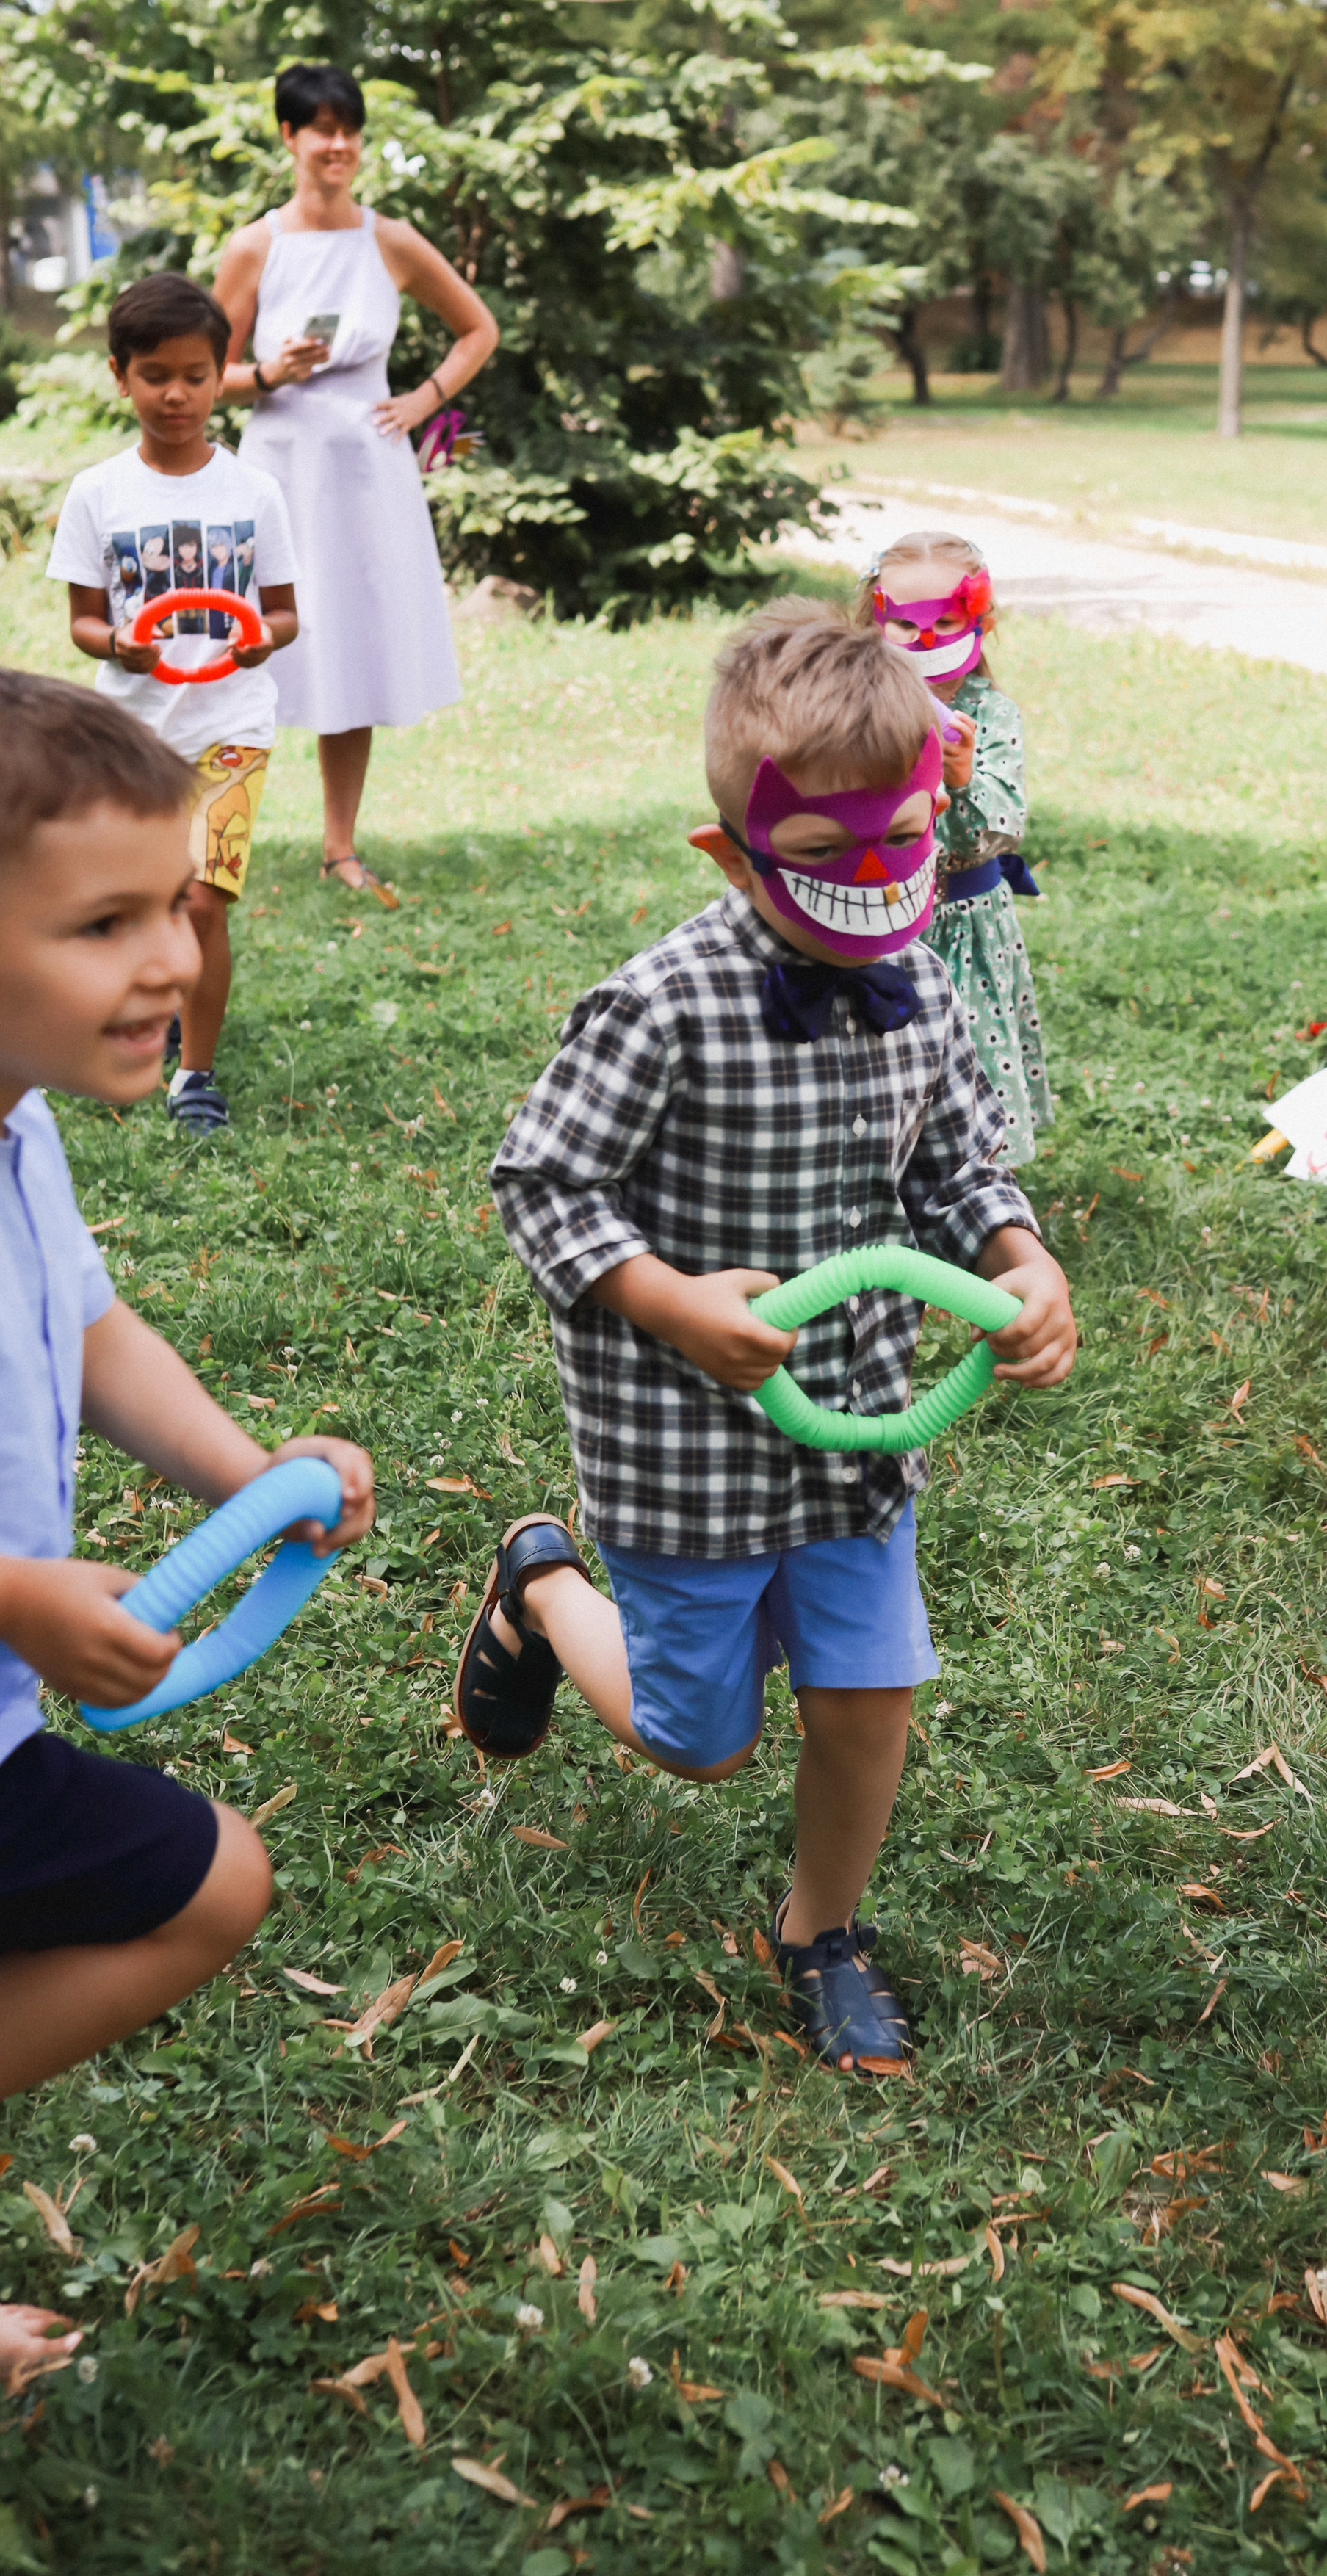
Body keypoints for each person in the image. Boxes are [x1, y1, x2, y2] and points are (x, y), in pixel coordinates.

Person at [467, 604, 1077, 2076]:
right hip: (683, 1440)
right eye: (827, 857)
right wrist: (668, 1299)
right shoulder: (659, 1005)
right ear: (729, 854)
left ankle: (819, 1929)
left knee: (868, 1705)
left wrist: (1013, 1250)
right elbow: (539, 1182)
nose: (876, 882)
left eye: (904, 844)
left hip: (856, 1422)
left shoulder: (917, 977)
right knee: (700, 1741)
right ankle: (543, 1585)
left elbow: (956, 1161)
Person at [0, 670, 375, 2391]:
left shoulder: (23, 1133)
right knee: (206, 1874)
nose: (172, 957)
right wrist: (12, 1594)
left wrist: (243, 1470)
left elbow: (89, 1330)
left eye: (175, 904)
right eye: (104, 920)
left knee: (209, 1875)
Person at [214, 61, 499, 910]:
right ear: (288, 137)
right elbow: (202, 370)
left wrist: (423, 400)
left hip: (367, 469)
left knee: (350, 644)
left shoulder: (392, 239)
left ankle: (340, 845)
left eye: (349, 129)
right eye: (319, 129)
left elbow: (477, 328)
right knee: (252, 646)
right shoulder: (255, 245)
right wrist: (267, 370)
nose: (336, 145)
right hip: (281, 466)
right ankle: (219, 833)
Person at [48, 272, 299, 1137]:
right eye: (156, 374)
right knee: (130, 898)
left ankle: (195, 1074)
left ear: (224, 371)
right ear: (120, 377)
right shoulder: (97, 493)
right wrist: (121, 644)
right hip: (130, 735)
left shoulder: (255, 492)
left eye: (196, 374)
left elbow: (286, 612)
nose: (177, 393)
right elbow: (82, 620)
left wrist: (265, 637)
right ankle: (131, 1029)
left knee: (201, 902)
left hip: (231, 726)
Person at [858, 531, 1054, 1167]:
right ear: (876, 619)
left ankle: (975, 1186)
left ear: (979, 622)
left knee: (968, 1057)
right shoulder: (855, 708)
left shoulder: (993, 715)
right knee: (881, 1058)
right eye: (908, 626)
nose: (928, 639)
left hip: (965, 928)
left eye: (947, 620)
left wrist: (961, 777)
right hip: (881, 920)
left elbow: (995, 831)